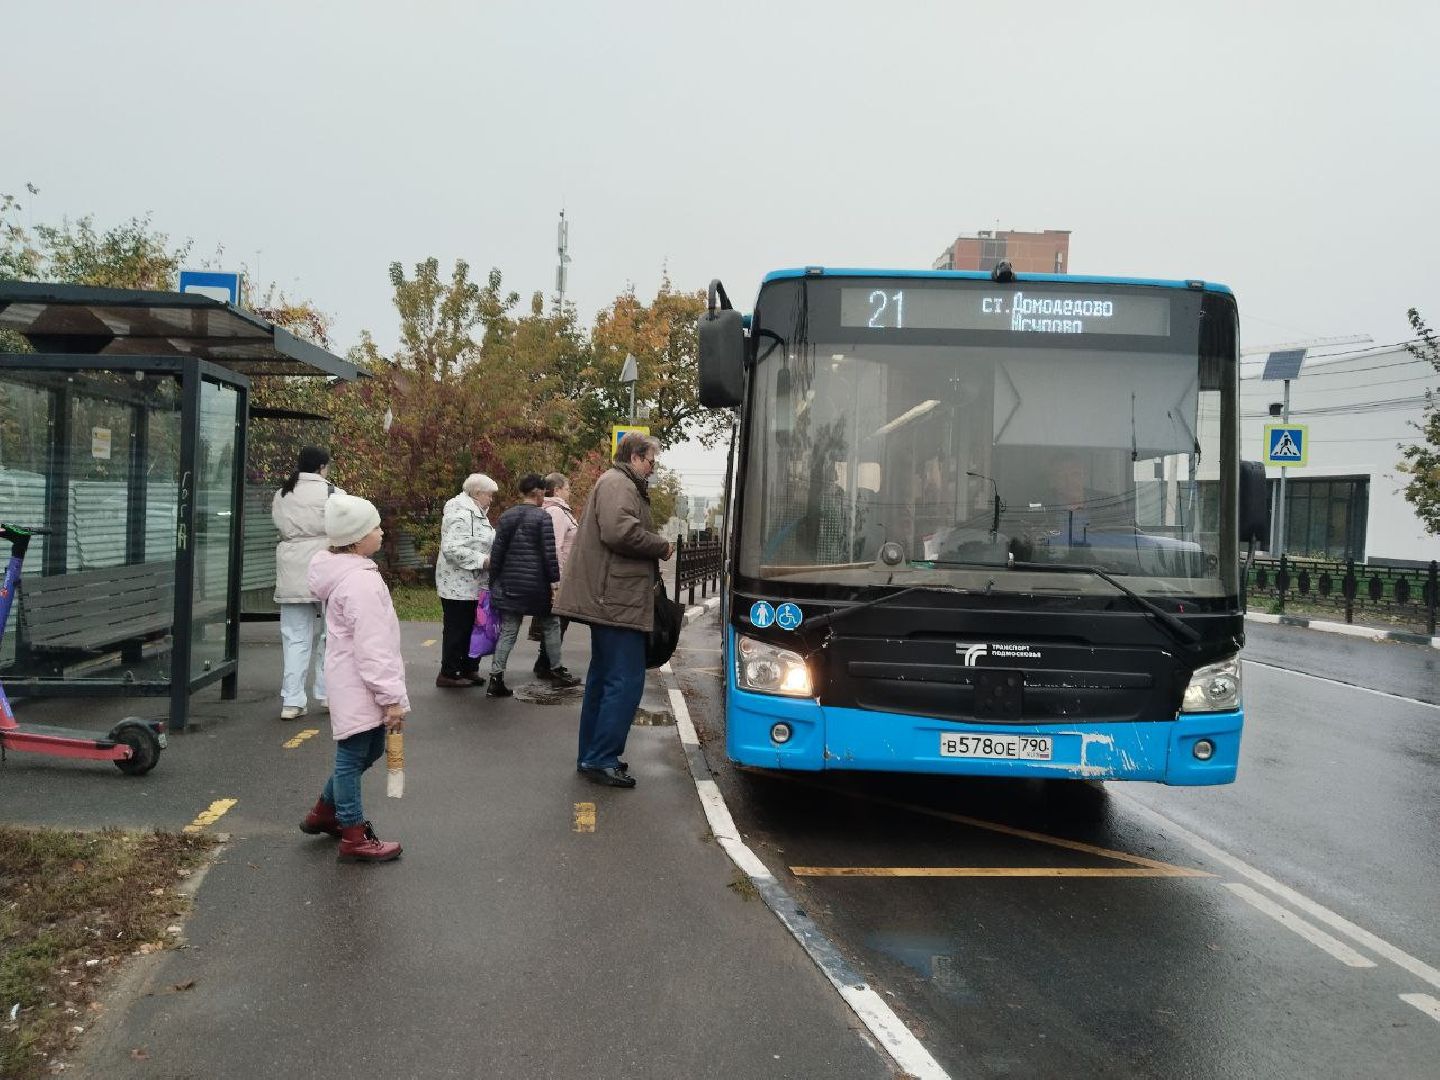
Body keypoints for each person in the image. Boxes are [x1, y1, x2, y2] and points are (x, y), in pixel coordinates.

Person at [554, 433, 672, 788]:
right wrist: (661, 545)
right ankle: (601, 758)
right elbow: (620, 532)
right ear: (635, 456)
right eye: (652, 461)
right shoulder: (619, 484)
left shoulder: (618, 482)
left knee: (605, 681)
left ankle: (594, 755)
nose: (653, 469)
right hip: (615, 600)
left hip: (613, 598)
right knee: (624, 681)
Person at [299, 494, 408, 863]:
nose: (381, 532)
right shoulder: (360, 582)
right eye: (375, 527)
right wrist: (391, 697)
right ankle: (352, 833)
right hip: (361, 684)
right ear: (358, 538)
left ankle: (324, 813)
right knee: (351, 756)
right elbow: (373, 646)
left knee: (369, 748)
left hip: (353, 680)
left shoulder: (348, 574)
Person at [486, 473, 580, 697]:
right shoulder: (543, 518)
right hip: (537, 587)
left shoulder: (507, 516)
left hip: (510, 585)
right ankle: (555, 670)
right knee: (551, 625)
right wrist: (554, 585)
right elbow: (550, 555)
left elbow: (496, 554)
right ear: (538, 493)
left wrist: (494, 583)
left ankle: (496, 678)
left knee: (509, 631)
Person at [271, 446, 341, 720]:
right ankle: (326, 694)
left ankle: (292, 701)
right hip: (326, 567)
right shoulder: (333, 494)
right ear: (322, 466)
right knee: (331, 634)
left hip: (291, 570)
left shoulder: (283, 493)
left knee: (294, 637)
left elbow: (279, 523)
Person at [434, 473, 498, 688]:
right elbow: (452, 548)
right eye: (490, 495)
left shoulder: (478, 513)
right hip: (457, 584)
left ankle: (468, 667)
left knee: (473, 627)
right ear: (478, 493)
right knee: (457, 629)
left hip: (472, 583)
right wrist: (484, 561)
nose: (492, 499)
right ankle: (449, 672)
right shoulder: (462, 512)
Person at [532, 471, 578, 680]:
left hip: (562, 575)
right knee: (557, 622)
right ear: (557, 489)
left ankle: (545, 662)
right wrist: (556, 582)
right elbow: (555, 547)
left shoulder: (555, 510)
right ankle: (547, 664)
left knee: (557, 621)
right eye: (567, 488)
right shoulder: (557, 512)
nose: (570, 492)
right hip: (560, 576)